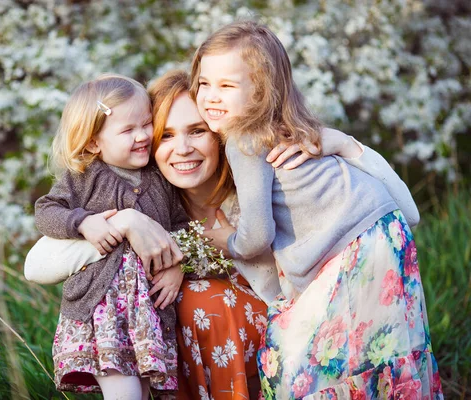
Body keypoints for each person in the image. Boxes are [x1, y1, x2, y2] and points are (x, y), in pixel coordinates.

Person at [26, 68, 423, 399]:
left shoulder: (261, 185)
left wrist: (345, 145)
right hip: (185, 349)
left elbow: (409, 213)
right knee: (192, 302)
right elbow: (36, 265)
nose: (181, 148)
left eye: (196, 131)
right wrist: (129, 223)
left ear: (219, 134)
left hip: (300, 333)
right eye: (165, 134)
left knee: (204, 301)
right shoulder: (147, 197)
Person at [192, 20, 443, 398]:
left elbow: (258, 236)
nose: (211, 96)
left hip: (355, 246)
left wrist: (226, 240)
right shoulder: (292, 128)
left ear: (261, 92)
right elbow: (407, 212)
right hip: (386, 233)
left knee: (302, 359)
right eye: (204, 84)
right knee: (380, 354)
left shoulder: (243, 138)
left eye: (227, 86)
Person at [33, 73, 189, 400]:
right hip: (103, 310)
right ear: (93, 142)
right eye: (128, 130)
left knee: (144, 392)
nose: (143, 135)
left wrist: (177, 267)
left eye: (146, 124)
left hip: (147, 312)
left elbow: (179, 225)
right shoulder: (83, 178)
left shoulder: (160, 179)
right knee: (124, 393)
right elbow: (46, 210)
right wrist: (83, 223)